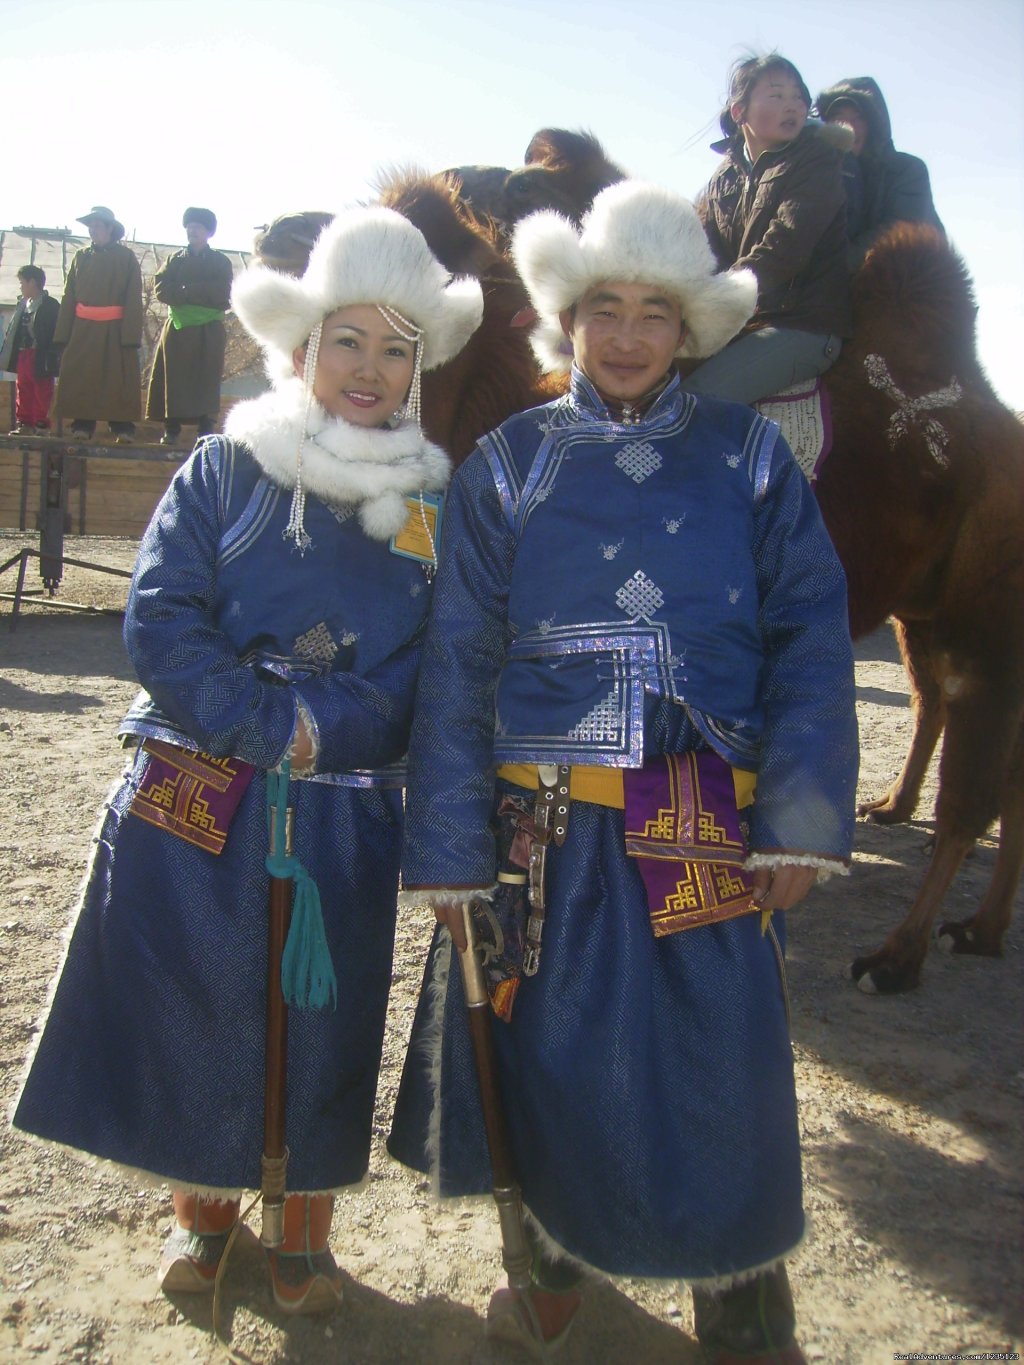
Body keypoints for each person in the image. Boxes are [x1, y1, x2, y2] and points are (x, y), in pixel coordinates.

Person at [387, 180, 858, 1364]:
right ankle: (542, 1273)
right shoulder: (508, 462)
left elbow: (808, 626)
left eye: (657, 309)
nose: (632, 334)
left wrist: (799, 816)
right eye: (607, 307)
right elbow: (459, 656)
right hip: (541, 834)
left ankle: (743, 1309)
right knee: (537, 1055)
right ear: (568, 316)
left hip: (706, 820)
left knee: (722, 1075)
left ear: (690, 323)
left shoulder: (750, 456)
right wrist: (447, 847)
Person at [13, 209, 483, 1313]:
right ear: (302, 346)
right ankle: (206, 1224)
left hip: (343, 807)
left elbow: (433, 659)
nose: (371, 367)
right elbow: (163, 611)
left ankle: (302, 1240)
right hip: (199, 784)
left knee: (322, 1016)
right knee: (200, 1000)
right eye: (349, 339)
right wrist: (257, 722)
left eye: (397, 346)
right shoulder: (226, 465)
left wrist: (326, 731)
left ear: (419, 365)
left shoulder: (428, 502)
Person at [684, 54, 851, 405]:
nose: (792, 105)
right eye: (776, 95)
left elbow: (784, 247)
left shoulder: (816, 160)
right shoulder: (723, 177)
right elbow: (704, 254)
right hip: (744, 322)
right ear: (739, 111)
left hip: (803, 325)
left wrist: (715, 298)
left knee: (699, 399)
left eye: (798, 97)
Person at [815, 76, 944, 267]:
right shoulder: (815, 173)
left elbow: (898, 232)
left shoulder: (907, 170)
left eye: (859, 118)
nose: (849, 126)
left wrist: (829, 270)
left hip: (901, 285)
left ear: (875, 124)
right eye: (838, 117)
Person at [53, 205, 144, 443]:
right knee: (82, 375)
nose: (92, 230)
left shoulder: (126, 258)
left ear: (110, 229)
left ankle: (122, 426)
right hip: (83, 328)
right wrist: (62, 334)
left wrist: (131, 335)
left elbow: (134, 296)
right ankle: (82, 424)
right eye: (90, 226)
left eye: (97, 226)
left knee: (117, 378)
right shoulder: (80, 257)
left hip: (115, 329)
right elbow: (68, 295)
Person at [146, 207, 234, 446]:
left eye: (198, 227)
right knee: (172, 377)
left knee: (206, 378)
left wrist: (186, 291)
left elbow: (223, 293)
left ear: (208, 233)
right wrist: (193, 292)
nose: (193, 231)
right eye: (189, 227)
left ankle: (205, 429)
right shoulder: (173, 261)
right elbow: (162, 289)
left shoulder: (220, 262)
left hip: (209, 331)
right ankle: (171, 428)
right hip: (178, 328)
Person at [2, 265, 60, 434]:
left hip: (40, 354)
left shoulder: (50, 305)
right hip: (23, 352)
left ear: (32, 282)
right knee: (23, 387)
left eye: (22, 283)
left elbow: (55, 331)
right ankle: (24, 423)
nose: (21, 286)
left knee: (42, 388)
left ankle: (41, 424)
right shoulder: (22, 304)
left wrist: (52, 355)